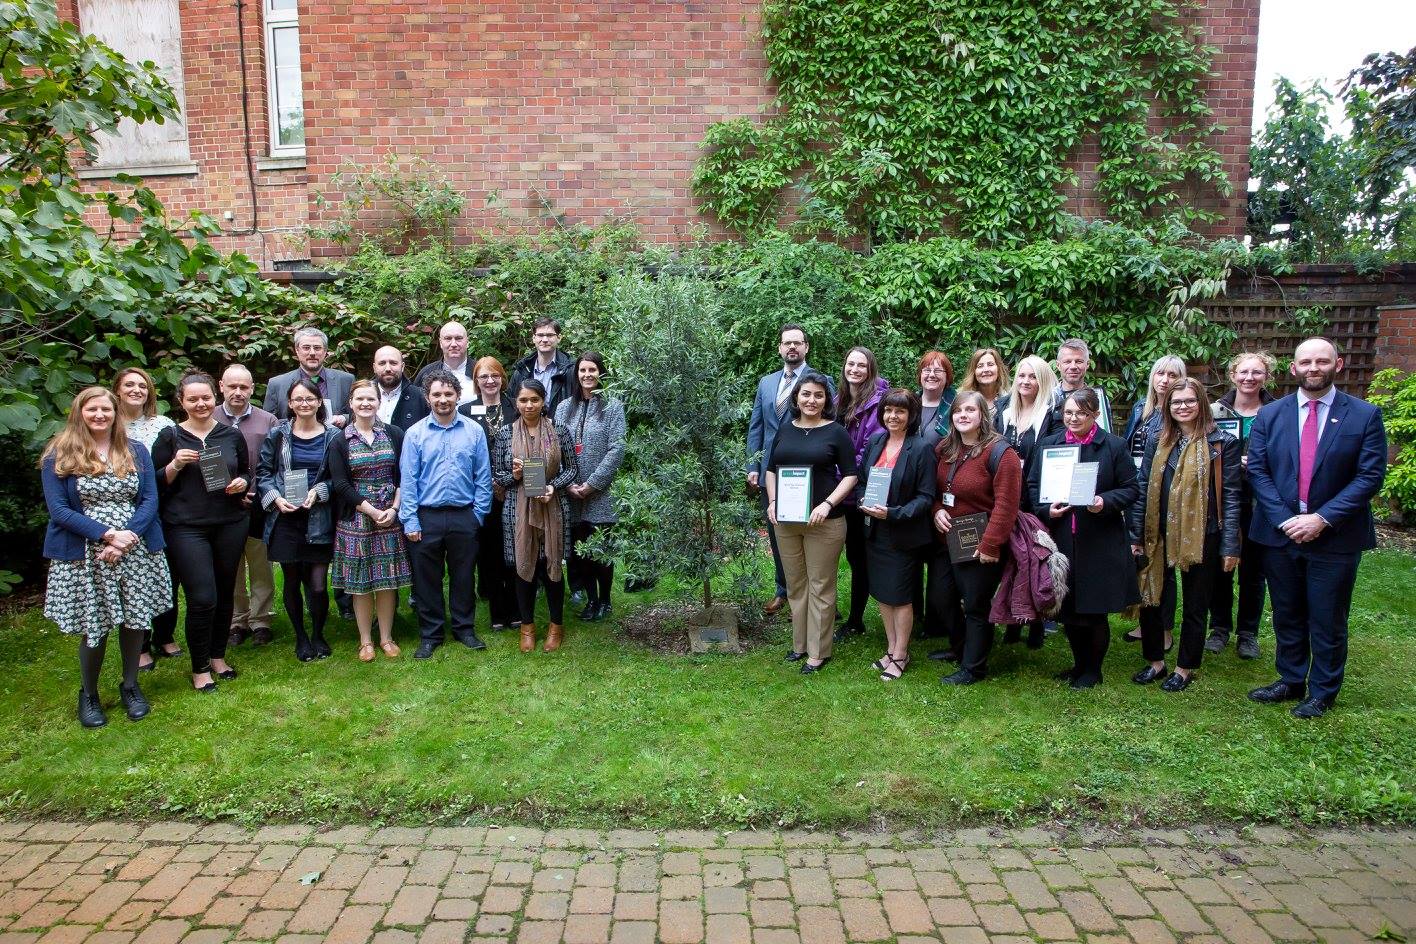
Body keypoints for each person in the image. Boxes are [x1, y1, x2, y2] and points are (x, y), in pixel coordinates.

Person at [1245, 338, 1387, 718]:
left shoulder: (1363, 415)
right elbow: (1258, 470)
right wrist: (1285, 519)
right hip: (1280, 533)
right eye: (1305, 362)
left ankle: (1323, 690)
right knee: (1287, 612)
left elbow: (1370, 476)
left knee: (1327, 616)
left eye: (1321, 361)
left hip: (1335, 536)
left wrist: (1321, 518)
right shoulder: (1270, 415)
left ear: (1337, 365)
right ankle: (1290, 679)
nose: (1313, 368)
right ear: (1293, 369)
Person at [41, 388, 169, 727]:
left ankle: (130, 685)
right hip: (86, 554)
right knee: (93, 625)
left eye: (106, 410)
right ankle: (89, 694)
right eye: (92, 409)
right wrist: (106, 535)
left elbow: (149, 501)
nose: (100, 415)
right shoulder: (60, 454)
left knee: (135, 620)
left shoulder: (135, 451)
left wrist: (126, 536)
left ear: (116, 414)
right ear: (79, 412)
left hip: (134, 547)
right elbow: (58, 510)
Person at [1127, 379, 1241, 692]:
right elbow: (1141, 488)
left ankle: (1185, 667)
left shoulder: (1222, 443)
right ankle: (1155, 662)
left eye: (1189, 401)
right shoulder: (1157, 439)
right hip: (1157, 532)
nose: (1182, 407)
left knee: (1195, 603)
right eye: (1176, 403)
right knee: (1151, 597)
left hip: (1202, 534)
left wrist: (1231, 545)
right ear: (1168, 406)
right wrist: (1135, 535)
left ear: (1201, 403)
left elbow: (1231, 496)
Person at [1027, 387, 1139, 689]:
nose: (1073, 418)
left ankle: (1093, 670)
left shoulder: (1113, 446)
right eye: (1068, 413)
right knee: (1069, 608)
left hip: (1098, 541)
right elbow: (1034, 485)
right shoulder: (1051, 445)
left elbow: (1131, 488)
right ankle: (1078, 665)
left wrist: (1104, 501)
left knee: (1093, 609)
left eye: (1081, 413)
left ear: (1095, 415)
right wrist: (1046, 509)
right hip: (1063, 540)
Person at [150, 372, 251, 692]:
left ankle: (218, 655)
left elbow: (247, 472)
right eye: (192, 399)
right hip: (186, 527)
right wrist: (176, 464)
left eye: (205, 397)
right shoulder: (170, 437)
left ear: (214, 397)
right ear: (181, 402)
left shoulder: (230, 435)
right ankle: (200, 666)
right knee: (202, 596)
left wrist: (243, 483)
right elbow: (152, 485)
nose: (200, 404)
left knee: (224, 593)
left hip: (229, 522)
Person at [766, 372, 859, 674]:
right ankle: (799, 645)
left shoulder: (836, 432)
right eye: (806, 394)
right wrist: (773, 501)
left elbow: (850, 475)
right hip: (786, 520)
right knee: (795, 585)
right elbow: (770, 470)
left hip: (825, 521)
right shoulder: (784, 429)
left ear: (826, 400)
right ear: (796, 398)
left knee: (821, 585)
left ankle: (819, 652)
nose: (812, 400)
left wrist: (828, 503)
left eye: (819, 395)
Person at [399, 369, 494, 658]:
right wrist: (411, 520)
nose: (443, 399)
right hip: (426, 516)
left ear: (458, 396)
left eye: (448, 394)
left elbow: (483, 477)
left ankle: (464, 628)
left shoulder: (474, 431)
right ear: (428, 398)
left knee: (463, 575)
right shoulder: (415, 434)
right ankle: (431, 633)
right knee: (427, 579)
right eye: (437, 394)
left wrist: (477, 515)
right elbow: (409, 480)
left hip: (464, 515)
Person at [929, 392, 1022, 685]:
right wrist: (936, 511)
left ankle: (974, 667)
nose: (963, 415)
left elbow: (1007, 504)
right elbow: (933, 490)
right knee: (941, 599)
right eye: (958, 411)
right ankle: (960, 648)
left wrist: (991, 544)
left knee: (975, 605)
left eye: (970, 410)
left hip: (982, 541)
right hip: (948, 539)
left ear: (983, 415)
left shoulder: (1000, 453)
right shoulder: (944, 449)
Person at [746, 324, 833, 615]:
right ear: (780, 348)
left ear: (806, 347)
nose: (792, 347)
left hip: (811, 469)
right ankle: (784, 589)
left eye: (797, 342)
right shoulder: (766, 383)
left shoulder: (821, 382)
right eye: (787, 343)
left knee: (813, 532)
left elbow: (831, 424)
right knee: (778, 531)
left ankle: (818, 595)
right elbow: (756, 426)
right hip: (773, 471)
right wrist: (753, 465)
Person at [256, 379, 340, 663]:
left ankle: (318, 634)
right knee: (291, 580)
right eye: (298, 399)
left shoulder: (333, 436)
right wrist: (276, 498)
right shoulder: (278, 435)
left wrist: (321, 491)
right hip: (286, 517)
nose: (304, 404)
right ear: (289, 404)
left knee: (317, 584)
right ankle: (301, 638)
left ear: (319, 402)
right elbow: (264, 472)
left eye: (310, 399)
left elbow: (339, 476)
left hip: (319, 517)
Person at [493, 379, 579, 652]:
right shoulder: (505, 434)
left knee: (552, 564)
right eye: (523, 400)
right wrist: (515, 475)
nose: (529, 405)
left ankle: (556, 626)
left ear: (543, 402)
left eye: (534, 400)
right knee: (523, 564)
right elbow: (498, 475)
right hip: (517, 508)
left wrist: (554, 486)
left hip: (553, 505)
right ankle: (527, 627)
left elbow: (572, 469)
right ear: (516, 404)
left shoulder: (560, 431)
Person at [857, 389, 936, 681]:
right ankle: (890, 648)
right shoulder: (877, 441)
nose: (893, 416)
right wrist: (863, 500)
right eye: (889, 410)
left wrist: (893, 513)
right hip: (874, 531)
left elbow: (926, 497)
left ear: (910, 415)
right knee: (882, 592)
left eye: (900, 411)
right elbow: (862, 479)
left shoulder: (922, 448)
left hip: (903, 533)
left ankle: (901, 653)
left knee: (900, 596)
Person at [330, 380, 411, 661]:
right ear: (350, 404)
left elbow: (403, 474)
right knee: (361, 583)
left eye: (371, 399)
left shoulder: (394, 434)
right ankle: (365, 641)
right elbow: (340, 484)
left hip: (390, 516)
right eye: (359, 399)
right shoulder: (339, 440)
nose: (366, 404)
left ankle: (387, 638)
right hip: (357, 519)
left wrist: (394, 509)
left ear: (379, 402)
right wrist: (372, 511)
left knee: (387, 581)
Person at [1207, 351, 1277, 659]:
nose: (1250, 378)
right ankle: (1219, 628)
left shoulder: (1278, 412)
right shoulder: (1213, 412)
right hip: (1222, 501)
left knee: (1254, 571)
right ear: (1233, 375)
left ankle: (1247, 633)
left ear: (1267, 377)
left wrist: (1260, 463)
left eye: (1257, 373)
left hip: (1261, 502)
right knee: (1220, 566)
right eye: (1244, 372)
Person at [111, 367, 179, 670]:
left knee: (167, 573)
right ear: (117, 390)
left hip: (165, 506)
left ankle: (165, 633)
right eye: (129, 385)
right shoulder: (107, 425)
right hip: (123, 510)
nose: (136, 390)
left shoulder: (163, 424)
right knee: (131, 580)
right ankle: (139, 643)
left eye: (142, 385)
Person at [992, 355, 1060, 649]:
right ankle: (1011, 620)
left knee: (1034, 559)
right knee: (1010, 560)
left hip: (1036, 498)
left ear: (1042, 380)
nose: (1025, 382)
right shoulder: (1003, 411)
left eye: (1032, 377)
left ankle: (1036, 623)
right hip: (1007, 496)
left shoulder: (1052, 415)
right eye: (1021, 376)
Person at [555, 351, 627, 622]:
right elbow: (556, 449)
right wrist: (569, 483)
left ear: (601, 373)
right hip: (571, 492)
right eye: (583, 370)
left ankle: (606, 599)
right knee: (580, 552)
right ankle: (591, 599)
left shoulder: (612, 406)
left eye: (592, 370)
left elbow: (617, 448)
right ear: (576, 374)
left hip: (600, 493)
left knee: (601, 550)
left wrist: (594, 483)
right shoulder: (563, 408)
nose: (587, 375)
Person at [215, 365, 279, 648]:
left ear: (253, 388)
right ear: (222, 387)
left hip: (259, 503)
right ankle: (236, 621)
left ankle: (261, 619)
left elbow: (276, 463)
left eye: (244, 387)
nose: (238, 392)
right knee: (231, 565)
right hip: (221, 505)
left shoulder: (268, 421)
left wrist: (258, 492)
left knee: (261, 563)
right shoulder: (210, 417)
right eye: (233, 387)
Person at [459, 356, 520, 629]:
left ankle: (517, 609)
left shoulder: (515, 408)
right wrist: (490, 484)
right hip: (481, 491)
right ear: (476, 381)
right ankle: (498, 612)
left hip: (515, 490)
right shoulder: (465, 410)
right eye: (483, 376)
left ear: (502, 378)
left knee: (516, 551)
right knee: (490, 552)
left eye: (494, 375)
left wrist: (508, 482)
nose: (490, 381)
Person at [836, 346, 890, 640]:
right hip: (840, 488)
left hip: (862, 489)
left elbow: (870, 451)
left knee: (860, 557)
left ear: (871, 370)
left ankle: (856, 619)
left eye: (861, 365)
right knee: (851, 553)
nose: (854, 369)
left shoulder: (879, 404)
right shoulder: (839, 400)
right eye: (850, 364)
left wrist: (841, 474)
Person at [262, 326, 355, 427]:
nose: (312, 353)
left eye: (317, 348)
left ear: (325, 351)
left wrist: (344, 418)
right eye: (306, 348)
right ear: (297, 350)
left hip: (336, 441)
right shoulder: (277, 384)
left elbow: (358, 414)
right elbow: (268, 422)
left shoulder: (346, 380)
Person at [1122, 355, 1187, 470]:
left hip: (1159, 477)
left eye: (1172, 375)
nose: (1165, 380)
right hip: (1132, 476)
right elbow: (1126, 446)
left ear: (1181, 380)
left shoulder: (1182, 411)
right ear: (1153, 376)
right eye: (1160, 373)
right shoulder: (1140, 407)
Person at [509, 317, 575, 419]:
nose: (544, 340)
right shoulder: (522, 370)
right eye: (540, 335)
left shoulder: (570, 370)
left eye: (549, 335)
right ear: (534, 338)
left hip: (561, 429)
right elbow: (512, 403)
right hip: (527, 429)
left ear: (559, 337)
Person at [1050, 338, 1114, 434]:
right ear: (1058, 365)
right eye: (1067, 362)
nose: (1073, 367)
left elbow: (1106, 435)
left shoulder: (1098, 398)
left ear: (1087, 364)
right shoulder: (1047, 398)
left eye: (1079, 361)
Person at [413, 322, 476, 405]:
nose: (453, 344)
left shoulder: (481, 371)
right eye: (448, 338)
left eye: (458, 338)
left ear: (467, 342)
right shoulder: (426, 373)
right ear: (440, 343)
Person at [374, 345, 431, 430]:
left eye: (393, 363)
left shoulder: (421, 397)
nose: (388, 368)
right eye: (382, 363)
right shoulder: (361, 396)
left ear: (402, 366)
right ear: (374, 367)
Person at [916, 351, 957, 450]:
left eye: (938, 371)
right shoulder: (909, 404)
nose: (931, 375)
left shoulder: (957, 406)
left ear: (947, 376)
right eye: (927, 370)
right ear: (920, 374)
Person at [957, 348, 1010, 412]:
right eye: (980, 366)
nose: (986, 370)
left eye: (990, 364)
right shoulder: (961, 399)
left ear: (998, 369)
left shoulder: (1010, 400)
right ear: (974, 372)